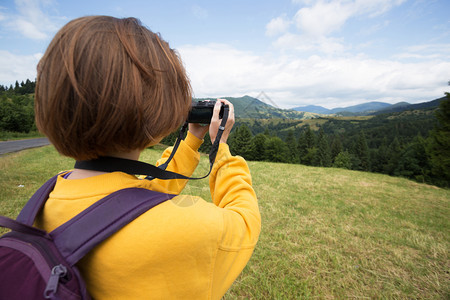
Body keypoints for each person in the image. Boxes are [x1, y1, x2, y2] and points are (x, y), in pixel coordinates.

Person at [33, 15, 260, 299]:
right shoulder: (191, 230)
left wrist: (192, 140)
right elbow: (246, 220)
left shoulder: (45, 201)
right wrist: (221, 147)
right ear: (155, 114)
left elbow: (132, 201)